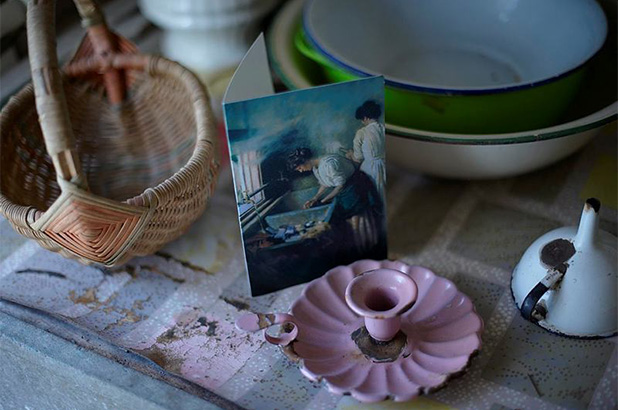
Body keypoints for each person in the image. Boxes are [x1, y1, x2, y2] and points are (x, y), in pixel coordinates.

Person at [287, 147, 383, 254]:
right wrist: (315, 198)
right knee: (349, 223)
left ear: (304, 161)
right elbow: (325, 183)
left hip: (354, 189)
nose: (301, 171)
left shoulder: (329, 164)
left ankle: (369, 249)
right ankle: (359, 248)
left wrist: (323, 201)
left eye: (300, 168)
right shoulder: (316, 168)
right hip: (344, 191)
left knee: (359, 220)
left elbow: (340, 186)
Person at [349, 100, 386, 198]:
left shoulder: (362, 132)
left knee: (372, 196)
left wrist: (350, 155)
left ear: (365, 118)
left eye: (362, 120)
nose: (362, 122)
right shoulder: (383, 128)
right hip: (385, 165)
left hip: (371, 169)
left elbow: (358, 158)